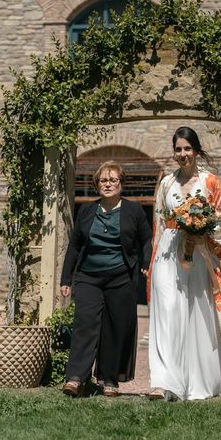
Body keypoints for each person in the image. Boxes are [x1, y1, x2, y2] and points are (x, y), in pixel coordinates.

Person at [147, 126, 221, 401]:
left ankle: (198, 382)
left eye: (187, 148)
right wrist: (154, 259)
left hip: (198, 253)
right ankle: (164, 383)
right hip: (168, 251)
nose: (182, 154)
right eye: (178, 149)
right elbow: (159, 222)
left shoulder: (211, 183)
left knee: (197, 314)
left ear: (196, 150)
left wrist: (202, 232)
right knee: (167, 312)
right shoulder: (166, 184)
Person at [60, 161, 152, 397]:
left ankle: (110, 381)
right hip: (89, 277)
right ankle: (76, 378)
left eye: (113, 180)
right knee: (84, 324)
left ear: (121, 184)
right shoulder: (88, 211)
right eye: (103, 180)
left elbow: (145, 239)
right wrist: (66, 279)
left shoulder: (134, 210)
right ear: (96, 185)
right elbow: (75, 245)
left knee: (115, 327)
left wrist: (144, 263)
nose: (108, 184)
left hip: (120, 278)